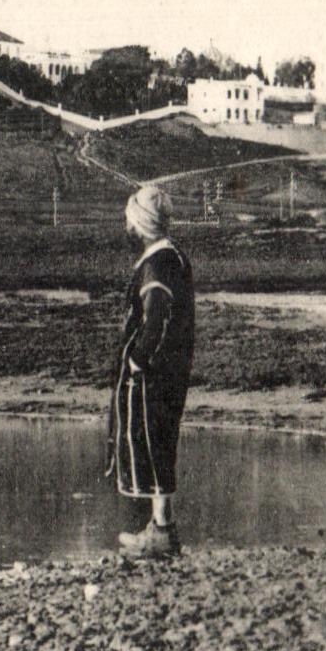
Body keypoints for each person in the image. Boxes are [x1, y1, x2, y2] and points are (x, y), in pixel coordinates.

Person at [105, 183, 194, 557]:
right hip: (170, 367)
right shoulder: (173, 257)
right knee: (159, 440)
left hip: (153, 372)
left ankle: (161, 531)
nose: (128, 227)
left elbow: (156, 316)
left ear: (139, 223)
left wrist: (138, 360)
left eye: (130, 220)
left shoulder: (157, 264)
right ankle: (161, 526)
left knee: (151, 441)